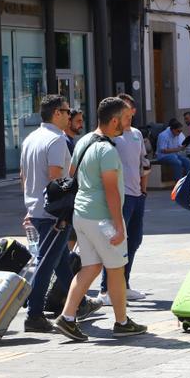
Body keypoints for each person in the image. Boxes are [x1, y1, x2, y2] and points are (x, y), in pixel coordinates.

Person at [54, 97, 147, 341]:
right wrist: (118, 225)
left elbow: (72, 175)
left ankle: (68, 317)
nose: (129, 124)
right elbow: (111, 191)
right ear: (114, 120)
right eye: (126, 119)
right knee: (116, 268)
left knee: (91, 267)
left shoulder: (84, 140)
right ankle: (122, 321)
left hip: (82, 215)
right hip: (102, 218)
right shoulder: (106, 150)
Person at [19, 95, 101, 332]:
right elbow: (57, 178)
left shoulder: (31, 138)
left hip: (37, 208)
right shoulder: (56, 140)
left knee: (60, 259)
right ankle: (34, 315)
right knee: (46, 263)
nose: (69, 115)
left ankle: (81, 303)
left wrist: (29, 207)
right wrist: (64, 212)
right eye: (66, 111)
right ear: (56, 113)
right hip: (53, 213)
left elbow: (24, 177)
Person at [97, 93, 149, 304]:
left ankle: (124, 285)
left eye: (130, 112)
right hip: (120, 196)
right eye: (124, 112)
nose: (129, 116)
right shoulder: (111, 137)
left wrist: (143, 190)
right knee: (116, 243)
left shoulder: (136, 134)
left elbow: (143, 163)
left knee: (134, 241)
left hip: (137, 195)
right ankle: (106, 289)